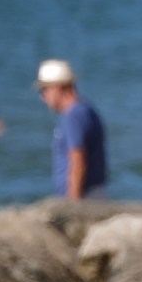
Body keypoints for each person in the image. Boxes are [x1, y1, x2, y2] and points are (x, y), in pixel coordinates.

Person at [35, 59, 108, 199]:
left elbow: (77, 159)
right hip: (92, 194)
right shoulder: (85, 110)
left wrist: (73, 205)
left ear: (57, 87)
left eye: (44, 89)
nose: (42, 97)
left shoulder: (73, 115)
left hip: (84, 197)